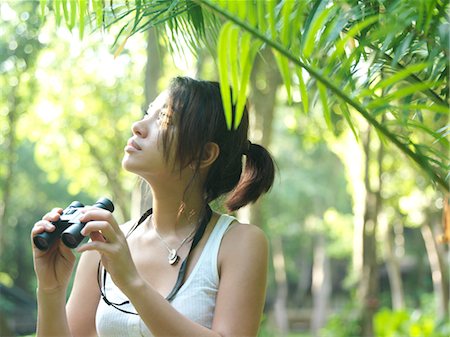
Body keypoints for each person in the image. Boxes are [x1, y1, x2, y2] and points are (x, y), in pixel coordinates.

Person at [31, 77, 275, 337]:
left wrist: (132, 282)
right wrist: (51, 291)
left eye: (164, 120)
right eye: (148, 113)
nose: (138, 126)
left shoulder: (239, 243)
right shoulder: (101, 245)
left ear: (204, 155)